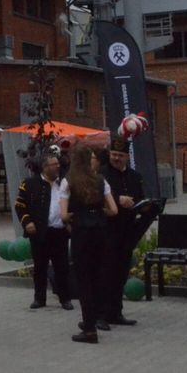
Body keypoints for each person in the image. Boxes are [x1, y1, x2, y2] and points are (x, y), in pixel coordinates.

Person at [61, 143, 118, 344]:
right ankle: (92, 319)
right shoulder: (101, 180)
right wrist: (98, 213)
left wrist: (75, 216)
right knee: (98, 276)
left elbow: (63, 215)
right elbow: (114, 210)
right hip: (100, 232)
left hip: (81, 234)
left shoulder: (68, 181)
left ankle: (89, 329)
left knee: (84, 280)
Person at [15, 150, 73, 311]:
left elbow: (72, 204)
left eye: (58, 165)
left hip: (59, 232)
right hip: (39, 232)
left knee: (62, 267)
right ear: (44, 167)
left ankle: (65, 298)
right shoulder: (29, 184)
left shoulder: (63, 184)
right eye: (54, 165)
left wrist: (70, 221)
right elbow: (20, 205)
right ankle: (39, 298)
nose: (58, 167)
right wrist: (27, 222)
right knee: (40, 267)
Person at [100, 137, 145, 327]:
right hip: (106, 230)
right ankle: (101, 315)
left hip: (127, 231)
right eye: (113, 154)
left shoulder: (134, 176)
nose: (116, 158)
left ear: (127, 157)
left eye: (120, 155)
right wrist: (118, 200)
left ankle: (116, 312)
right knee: (105, 274)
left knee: (120, 274)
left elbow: (141, 198)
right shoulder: (101, 174)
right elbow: (94, 198)